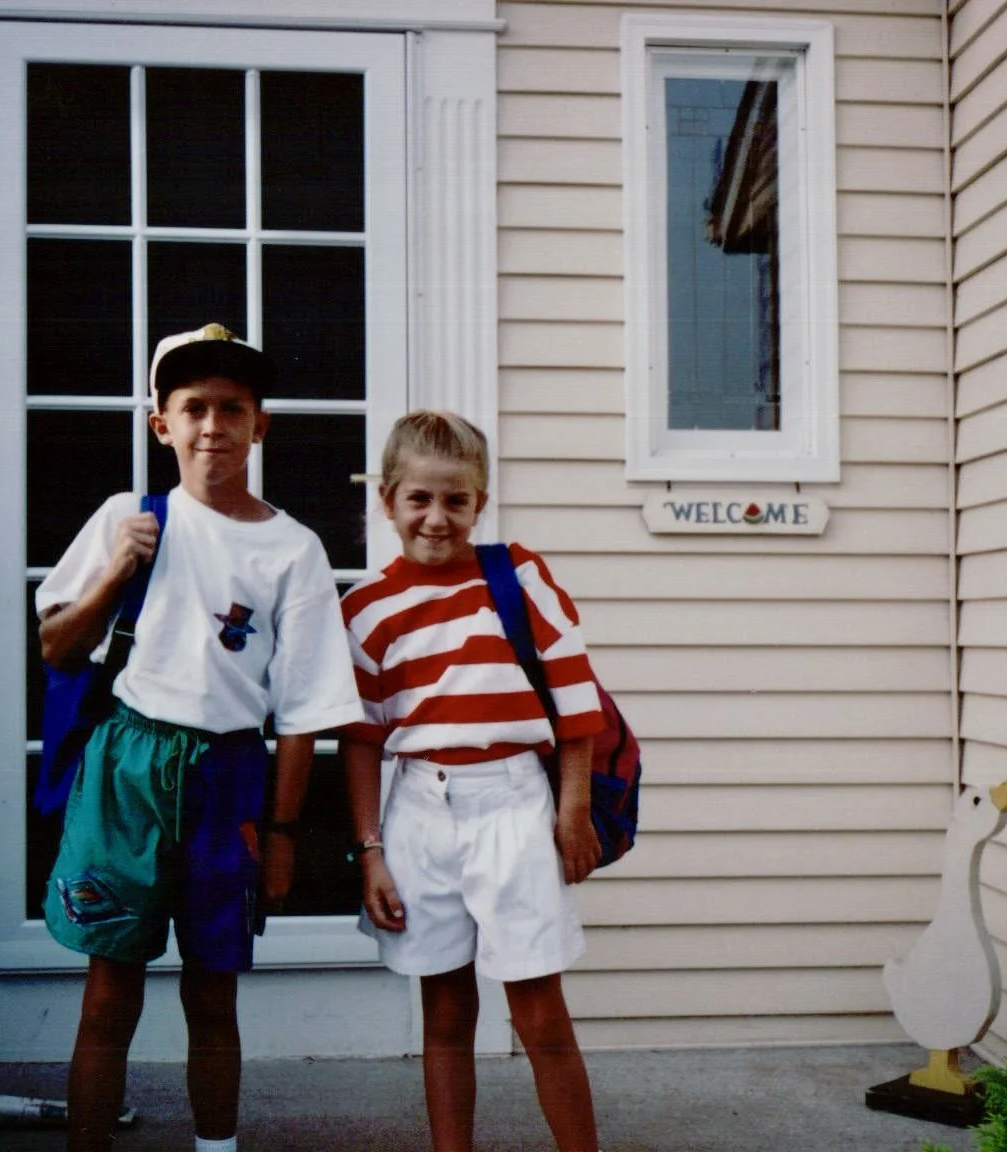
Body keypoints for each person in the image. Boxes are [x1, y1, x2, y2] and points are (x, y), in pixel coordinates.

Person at [37, 323, 362, 1152]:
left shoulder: (292, 549)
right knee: (110, 989)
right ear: (162, 425)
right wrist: (117, 570)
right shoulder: (129, 517)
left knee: (212, 994)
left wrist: (284, 834)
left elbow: (301, 713)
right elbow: (56, 648)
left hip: (227, 778)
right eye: (193, 408)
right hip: (127, 768)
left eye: (232, 408)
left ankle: (216, 1148)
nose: (212, 425)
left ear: (261, 425)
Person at [340, 410, 604, 1152]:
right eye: (419, 499)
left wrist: (573, 808)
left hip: (516, 802)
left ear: (479, 504)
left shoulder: (516, 575)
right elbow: (360, 741)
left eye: (456, 501)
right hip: (419, 810)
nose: (436, 518)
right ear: (387, 501)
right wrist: (371, 851)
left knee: (538, 1006)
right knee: (446, 1011)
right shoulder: (364, 610)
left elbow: (578, 698)